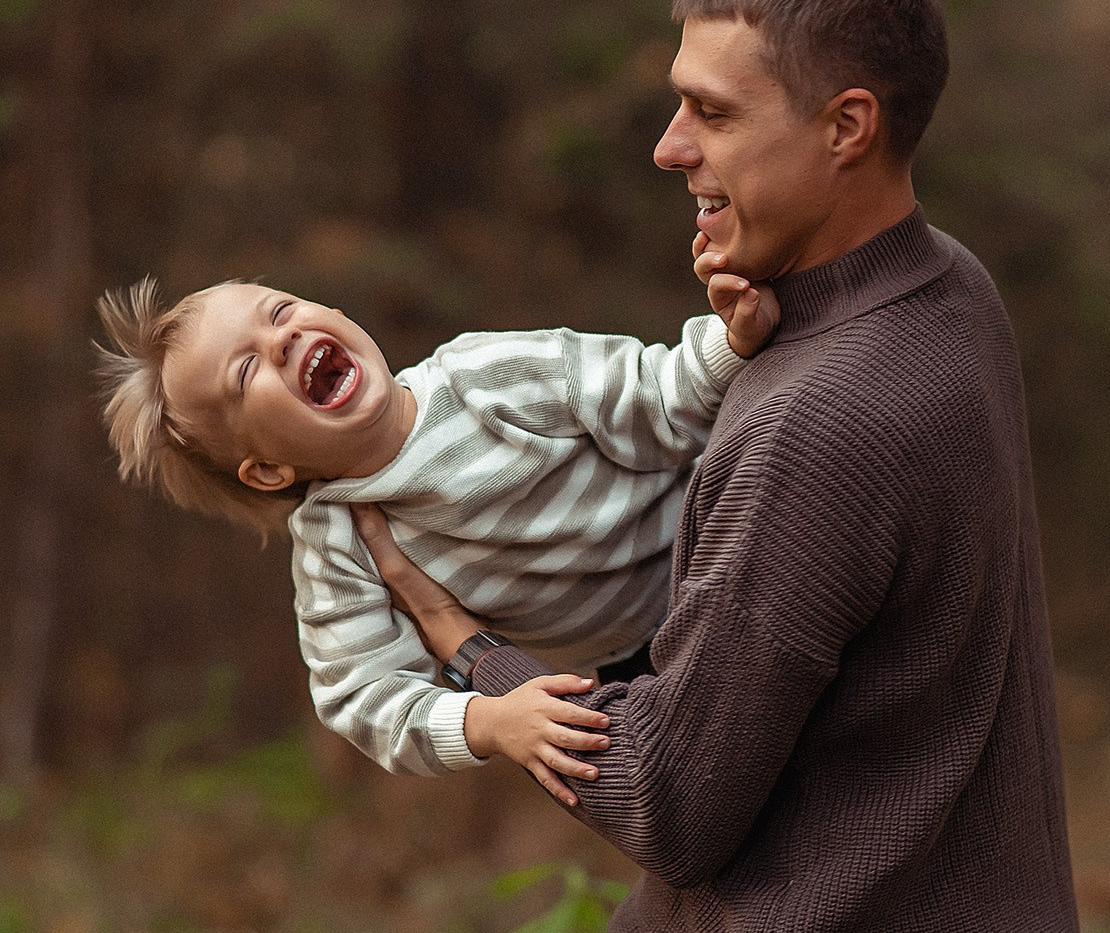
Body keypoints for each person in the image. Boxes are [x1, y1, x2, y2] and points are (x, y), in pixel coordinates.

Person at [358, 0, 1082, 933]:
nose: (668, 148)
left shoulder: (832, 420)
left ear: (846, 125)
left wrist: (465, 651)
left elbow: (674, 803)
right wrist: (753, 318)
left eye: (709, 113)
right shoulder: (939, 294)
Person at [96, 270, 777, 798]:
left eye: (281, 310)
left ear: (332, 313)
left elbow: (653, 394)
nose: (281, 339)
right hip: (641, 657)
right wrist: (488, 722)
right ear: (270, 469)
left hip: (724, 522)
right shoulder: (340, 547)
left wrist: (730, 340)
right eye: (245, 372)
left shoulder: (482, 376)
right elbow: (365, 698)